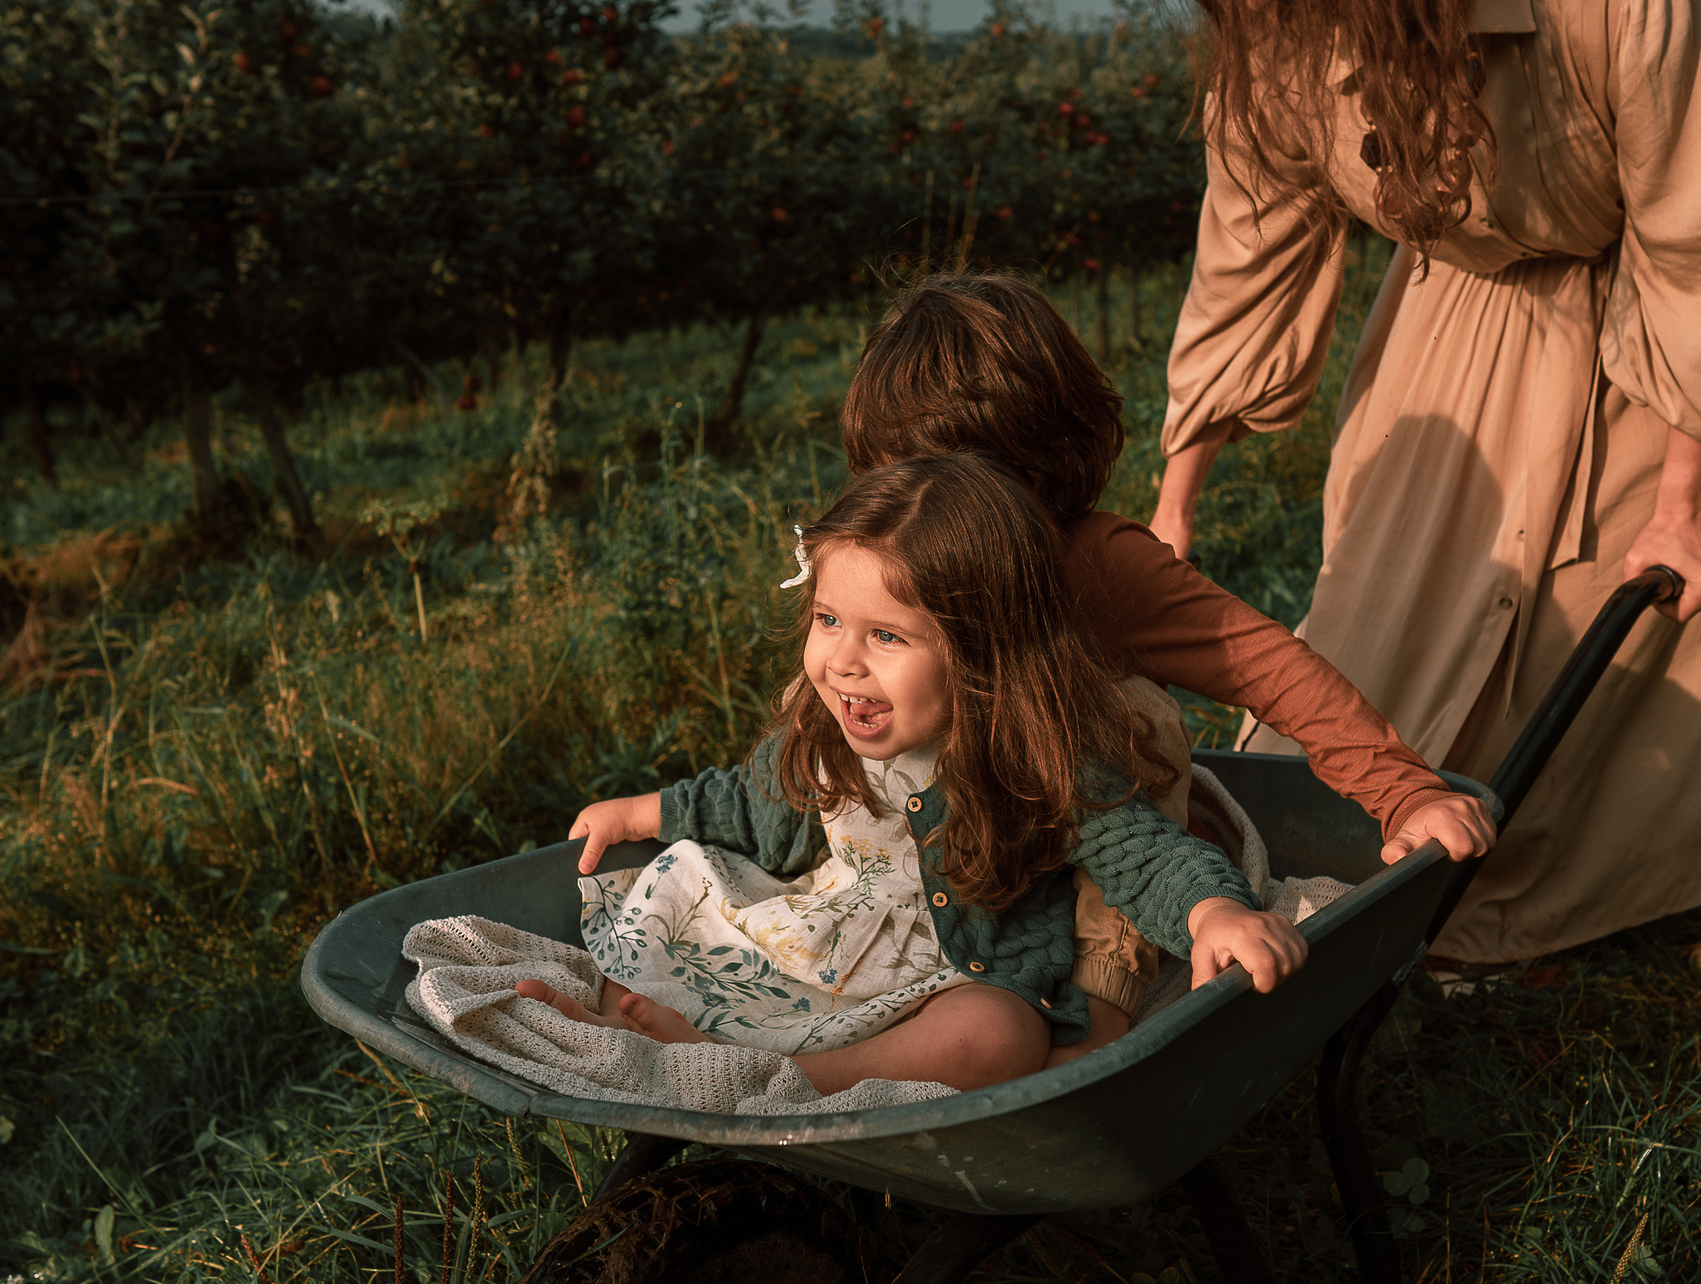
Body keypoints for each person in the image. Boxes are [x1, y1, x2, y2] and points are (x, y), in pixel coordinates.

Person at [1120, 0, 1701, 966]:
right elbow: (1245, 249)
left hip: (1680, 227)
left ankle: (1559, 896)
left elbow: (1693, 238)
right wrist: (1172, 507)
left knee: (1603, 571)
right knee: (1394, 554)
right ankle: (1380, 854)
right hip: (1472, 252)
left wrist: (1685, 493)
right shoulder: (1280, 10)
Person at [514, 454, 1307, 1097]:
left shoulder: (1032, 753)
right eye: (828, 621)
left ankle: (777, 1079)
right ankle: (683, 1043)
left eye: (887, 635)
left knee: (997, 1036)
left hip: (962, 971)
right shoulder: (827, 731)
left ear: (982, 652)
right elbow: (754, 809)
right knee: (692, 908)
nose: (843, 660)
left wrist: (1212, 913)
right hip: (837, 941)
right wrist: (646, 811)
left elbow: (1145, 852)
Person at [839, 272, 1496, 1030]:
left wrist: (1406, 791)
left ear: (1034, 467)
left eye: (954, 489)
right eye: (901, 485)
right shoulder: (892, 565)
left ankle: (1093, 1038)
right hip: (968, 850)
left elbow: (1266, 667)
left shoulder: (1095, 565)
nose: (921, 517)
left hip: (1106, 849)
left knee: (1129, 727)